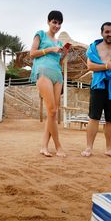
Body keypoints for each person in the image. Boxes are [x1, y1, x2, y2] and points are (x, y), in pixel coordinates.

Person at [81, 22, 111, 159]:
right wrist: (106, 66)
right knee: (94, 117)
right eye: (107, 32)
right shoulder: (94, 48)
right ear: (101, 33)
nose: (110, 34)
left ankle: (109, 149)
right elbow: (90, 66)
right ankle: (89, 148)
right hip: (98, 85)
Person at [30, 10, 70, 157]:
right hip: (43, 72)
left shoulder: (59, 42)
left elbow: (57, 62)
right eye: (54, 22)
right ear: (48, 22)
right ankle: (58, 146)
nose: (57, 25)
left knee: (52, 113)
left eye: (59, 23)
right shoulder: (40, 34)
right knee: (52, 110)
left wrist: (63, 55)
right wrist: (51, 49)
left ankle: (44, 147)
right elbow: (32, 53)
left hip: (57, 75)